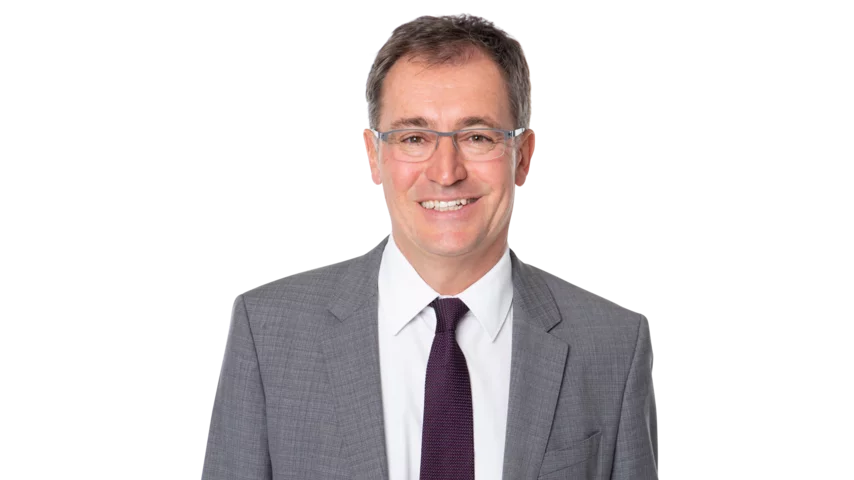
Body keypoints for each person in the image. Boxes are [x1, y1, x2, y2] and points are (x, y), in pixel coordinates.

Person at [202, 13, 658, 480]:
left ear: (522, 157)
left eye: (477, 137)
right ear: (374, 156)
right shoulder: (269, 333)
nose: (446, 172)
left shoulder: (612, 347)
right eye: (414, 138)